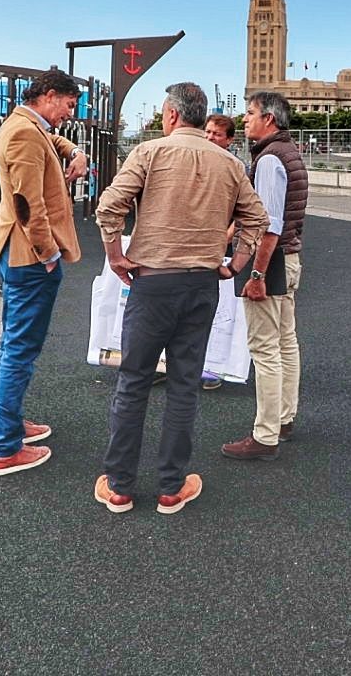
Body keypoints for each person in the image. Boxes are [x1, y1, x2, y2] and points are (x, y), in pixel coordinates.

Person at [93, 82, 269, 514]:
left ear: (171, 115)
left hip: (152, 283)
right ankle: (172, 486)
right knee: (185, 383)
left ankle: (120, 486)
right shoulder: (229, 163)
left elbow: (109, 207)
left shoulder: (149, 153)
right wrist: (236, 263)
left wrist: (116, 255)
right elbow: (257, 217)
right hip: (202, 285)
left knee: (134, 381)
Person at [0, 68, 89, 477]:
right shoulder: (26, 133)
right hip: (29, 256)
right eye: (67, 104)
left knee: (16, 344)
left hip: (14, 250)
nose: (68, 112)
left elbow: (52, 139)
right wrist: (48, 253)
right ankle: (4, 449)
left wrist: (75, 152)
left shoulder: (25, 124)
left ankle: (9, 425)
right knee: (20, 350)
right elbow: (28, 204)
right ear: (48, 95)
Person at [222, 90, 307, 462]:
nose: (245, 119)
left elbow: (268, 225)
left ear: (269, 119)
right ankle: (284, 418)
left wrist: (256, 272)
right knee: (285, 341)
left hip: (270, 260)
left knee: (265, 348)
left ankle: (265, 434)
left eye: (250, 113)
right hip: (289, 257)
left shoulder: (271, 159)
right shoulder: (289, 153)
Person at [201, 112, 242, 390]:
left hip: (220, 246)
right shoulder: (196, 158)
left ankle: (213, 366)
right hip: (194, 243)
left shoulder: (235, 167)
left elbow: (244, 211)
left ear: (229, 140)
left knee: (217, 307)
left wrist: (225, 238)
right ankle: (169, 363)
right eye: (208, 132)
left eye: (216, 134)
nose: (210, 137)